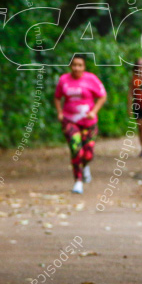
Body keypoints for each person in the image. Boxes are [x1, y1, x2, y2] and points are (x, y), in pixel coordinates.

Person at [54, 55, 107, 194]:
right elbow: (57, 97)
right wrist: (60, 112)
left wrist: (94, 111)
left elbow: (102, 96)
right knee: (76, 148)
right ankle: (78, 181)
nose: (77, 68)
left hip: (88, 122)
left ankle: (85, 166)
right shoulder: (63, 80)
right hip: (70, 121)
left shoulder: (91, 79)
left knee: (87, 154)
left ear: (84, 67)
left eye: (80, 65)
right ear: (70, 66)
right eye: (74, 65)